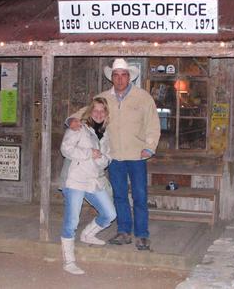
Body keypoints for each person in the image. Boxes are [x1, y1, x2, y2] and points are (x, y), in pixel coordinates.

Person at [69, 58, 161, 251]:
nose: (120, 79)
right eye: (116, 76)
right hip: (114, 155)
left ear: (129, 77)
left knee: (140, 196)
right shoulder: (104, 97)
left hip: (137, 155)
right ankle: (124, 231)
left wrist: (150, 147)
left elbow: (153, 124)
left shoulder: (142, 97)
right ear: (112, 78)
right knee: (119, 195)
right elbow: (87, 111)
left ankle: (142, 234)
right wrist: (73, 120)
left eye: (123, 75)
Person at [60, 97, 116, 275]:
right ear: (90, 112)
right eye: (95, 110)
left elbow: (107, 159)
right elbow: (65, 149)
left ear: (106, 114)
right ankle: (69, 261)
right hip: (75, 179)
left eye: (102, 111)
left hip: (94, 180)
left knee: (110, 214)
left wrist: (100, 158)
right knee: (72, 221)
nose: (98, 114)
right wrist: (88, 153)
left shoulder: (106, 135)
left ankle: (87, 234)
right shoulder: (79, 128)